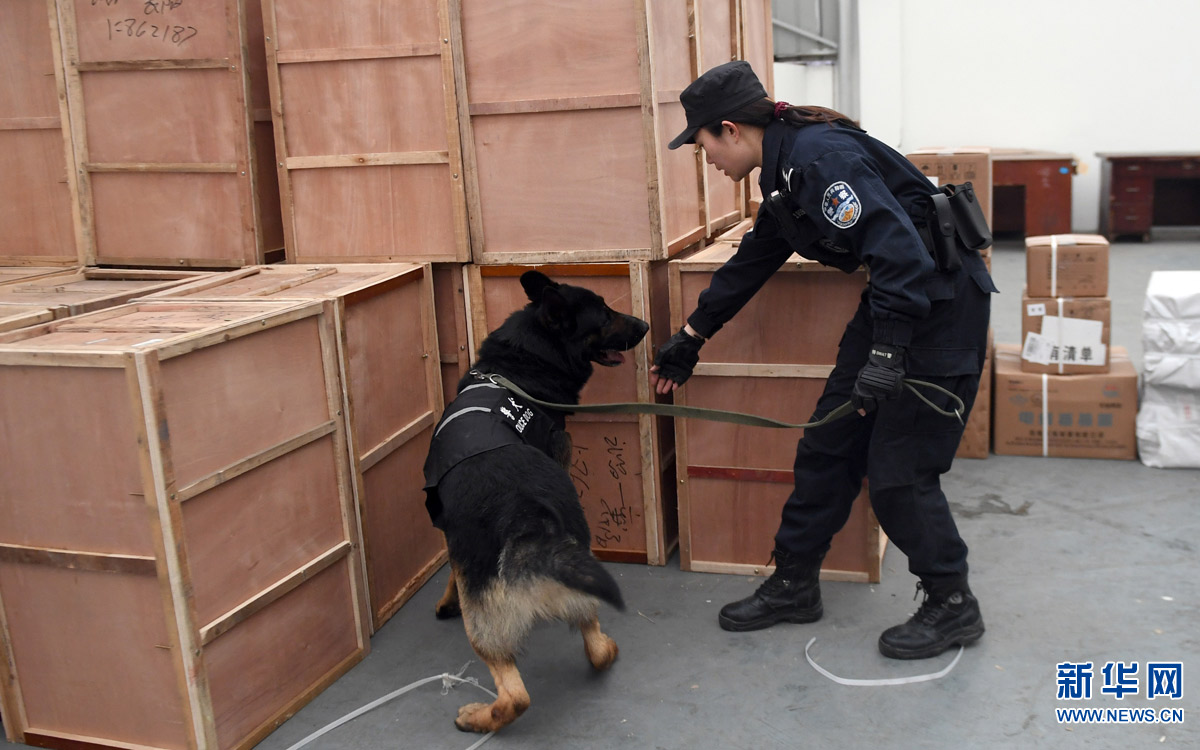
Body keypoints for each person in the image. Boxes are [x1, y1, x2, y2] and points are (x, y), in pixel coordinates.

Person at [651, 61, 996, 660]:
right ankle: (794, 584)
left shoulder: (818, 161)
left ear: (730, 129)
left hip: (939, 310)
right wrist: (691, 335)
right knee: (827, 445)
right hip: (895, 305)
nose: (706, 160)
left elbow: (902, 256)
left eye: (703, 145)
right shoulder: (786, 171)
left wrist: (886, 353)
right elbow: (755, 257)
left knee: (899, 473)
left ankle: (953, 602)